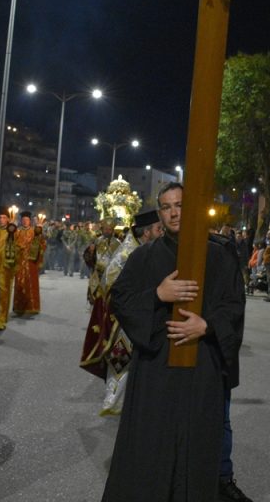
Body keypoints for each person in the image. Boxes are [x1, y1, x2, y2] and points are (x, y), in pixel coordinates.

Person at [102, 183, 245, 502]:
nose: (173, 212)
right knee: (151, 442)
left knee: (196, 442)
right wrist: (157, 295)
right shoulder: (144, 256)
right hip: (156, 364)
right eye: (166, 207)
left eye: (179, 204)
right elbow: (120, 299)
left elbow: (234, 306)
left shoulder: (219, 255)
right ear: (160, 213)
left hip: (202, 362)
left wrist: (206, 325)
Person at [80, 209, 164, 415]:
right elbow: (110, 281)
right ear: (147, 232)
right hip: (125, 314)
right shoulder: (128, 252)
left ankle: (128, 400)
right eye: (158, 229)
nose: (161, 232)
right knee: (122, 355)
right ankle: (114, 402)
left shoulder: (142, 247)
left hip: (140, 310)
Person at [12, 211, 39, 315]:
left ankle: (32, 307)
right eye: (23, 220)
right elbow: (12, 243)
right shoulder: (17, 232)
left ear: (30, 221)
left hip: (31, 261)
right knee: (19, 283)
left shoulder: (34, 231)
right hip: (20, 261)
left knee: (31, 283)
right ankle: (19, 307)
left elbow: (41, 244)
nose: (25, 222)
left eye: (27, 220)